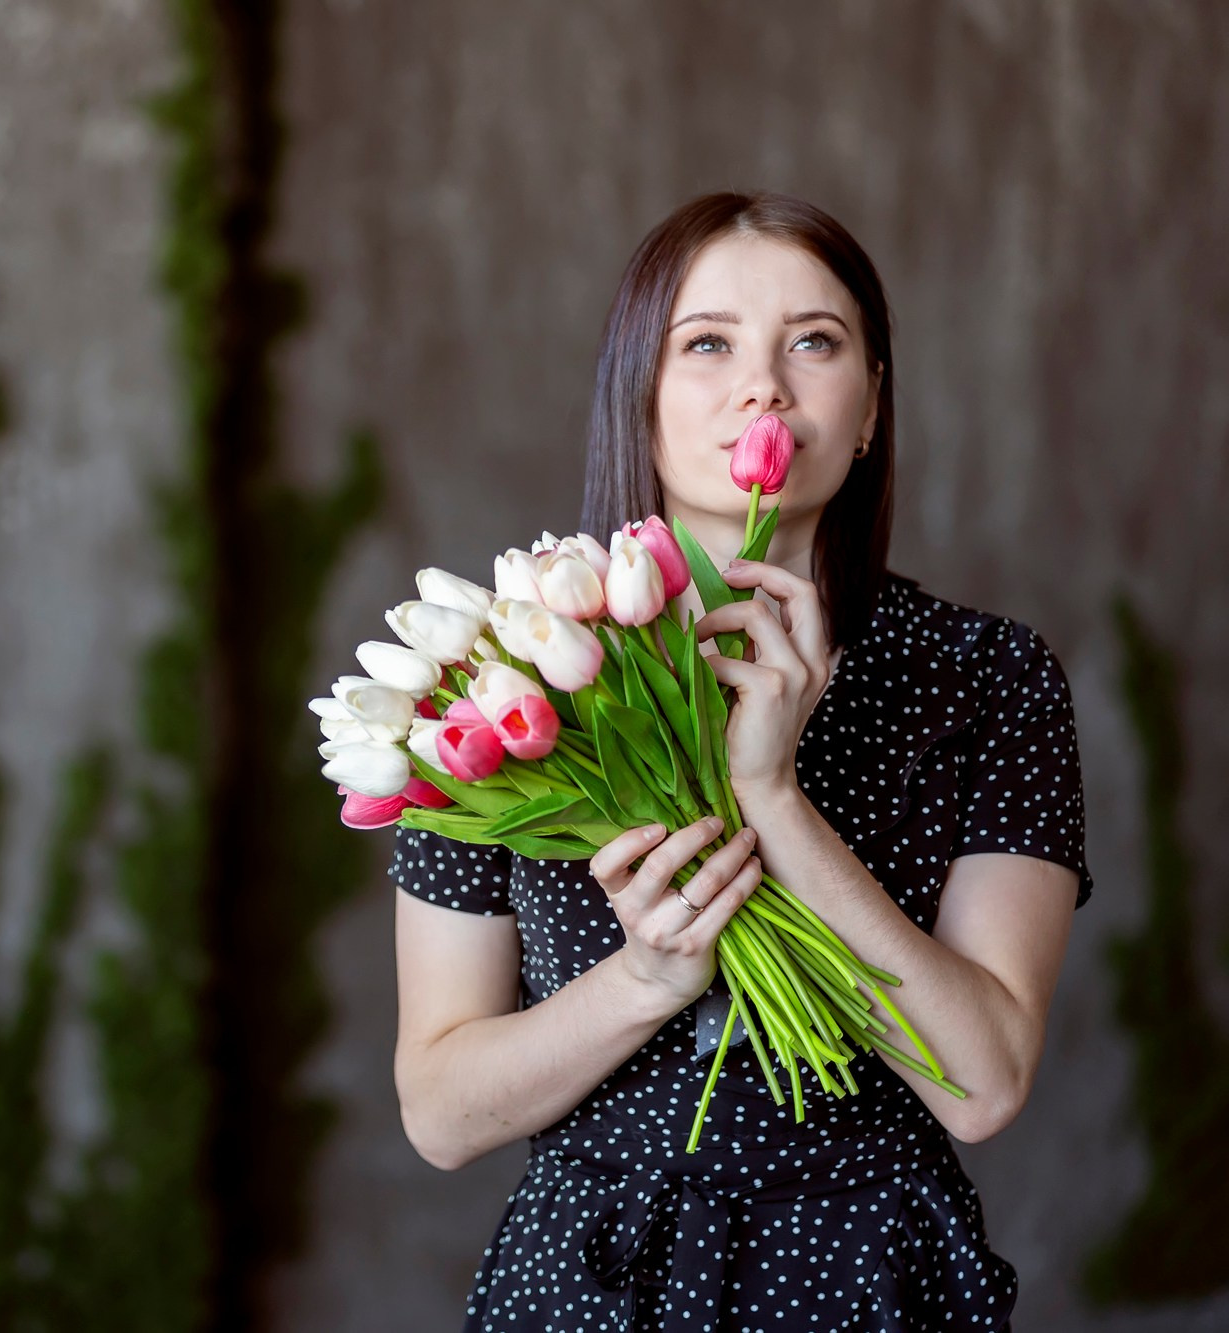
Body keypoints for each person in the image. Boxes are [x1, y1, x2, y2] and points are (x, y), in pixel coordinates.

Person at [389, 191, 1092, 1331]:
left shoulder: (986, 677)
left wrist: (773, 797)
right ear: (642, 397)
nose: (761, 386)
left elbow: (984, 1081)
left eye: (813, 343)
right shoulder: (500, 674)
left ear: (868, 407)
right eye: (705, 344)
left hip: (872, 1280)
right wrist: (644, 980)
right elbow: (439, 1111)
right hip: (580, 1286)